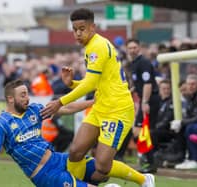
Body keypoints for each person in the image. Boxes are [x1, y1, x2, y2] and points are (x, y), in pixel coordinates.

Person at [40, 8, 155, 187]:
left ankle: (144, 179)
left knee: (102, 165)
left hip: (117, 111)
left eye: (82, 28)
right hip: (101, 106)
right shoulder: (91, 47)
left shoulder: (97, 46)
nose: (78, 33)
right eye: (75, 29)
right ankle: (79, 184)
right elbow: (95, 82)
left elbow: (91, 84)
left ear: (92, 27)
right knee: (76, 152)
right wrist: (72, 84)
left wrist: (59, 102)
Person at [0, 79, 98, 187]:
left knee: (100, 169)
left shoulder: (34, 110)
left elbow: (66, 108)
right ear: (11, 99)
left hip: (58, 159)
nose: (27, 98)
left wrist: (93, 102)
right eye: (23, 95)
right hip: (45, 174)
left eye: (27, 94)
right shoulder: (2, 123)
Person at [126, 38, 160, 173]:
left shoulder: (143, 63)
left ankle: (151, 161)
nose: (132, 50)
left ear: (139, 48)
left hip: (150, 100)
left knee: (142, 131)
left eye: (134, 47)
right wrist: (131, 91)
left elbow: (148, 84)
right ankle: (150, 160)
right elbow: (138, 84)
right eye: (130, 48)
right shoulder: (134, 63)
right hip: (145, 99)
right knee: (137, 131)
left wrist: (145, 102)